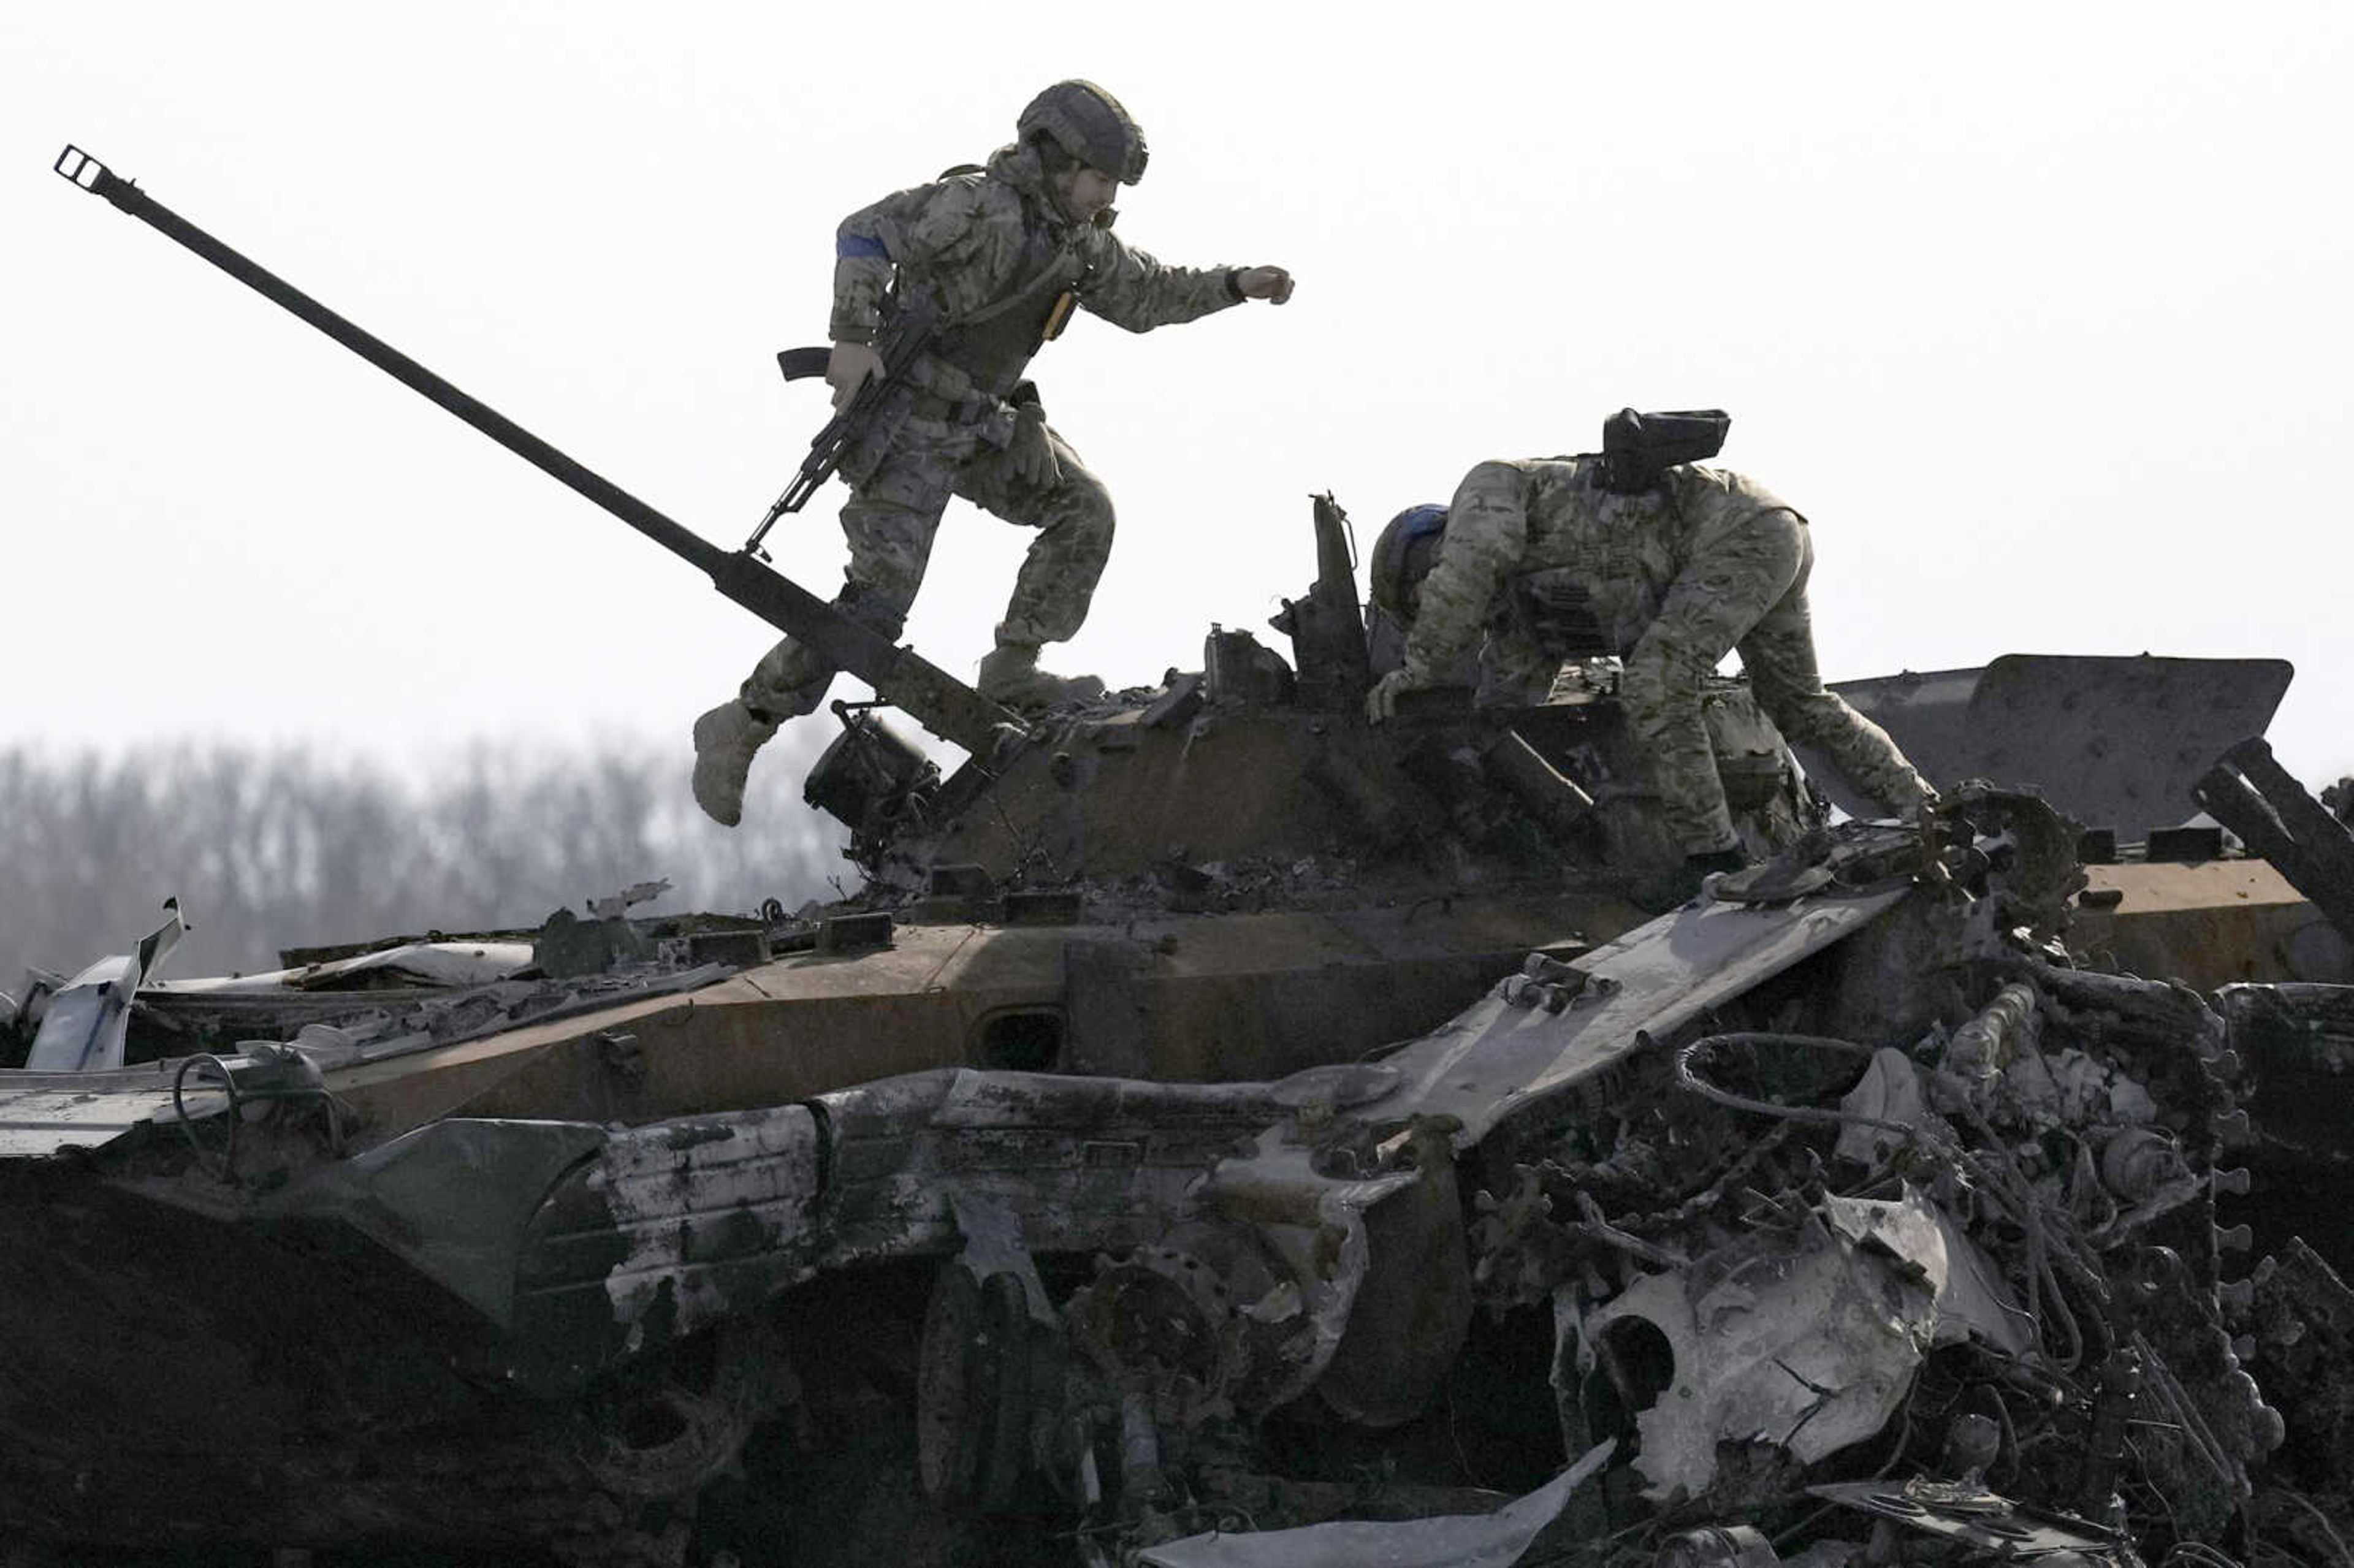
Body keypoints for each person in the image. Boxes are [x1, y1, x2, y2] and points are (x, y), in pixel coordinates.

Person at [693, 80, 1295, 824]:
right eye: (1098, 178)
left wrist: (1237, 285)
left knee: (1085, 509)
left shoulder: (1077, 244)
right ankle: (744, 723)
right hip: (910, 423)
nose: (1105, 195)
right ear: (1054, 159)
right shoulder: (976, 207)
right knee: (874, 611)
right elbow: (864, 231)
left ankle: (1013, 668)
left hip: (985, 426)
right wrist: (852, 337)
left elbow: (1149, 296)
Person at [1363, 455, 1935, 885]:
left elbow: (1471, 567)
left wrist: (1419, 668)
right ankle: (1924, 807)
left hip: (1736, 529)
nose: (1435, 599)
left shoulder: (1487, 491)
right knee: (1797, 703)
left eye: (1425, 588)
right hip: (1763, 534)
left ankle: (1716, 858)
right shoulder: (1525, 599)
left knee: (1658, 684)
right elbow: (1510, 692)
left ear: (1425, 552)